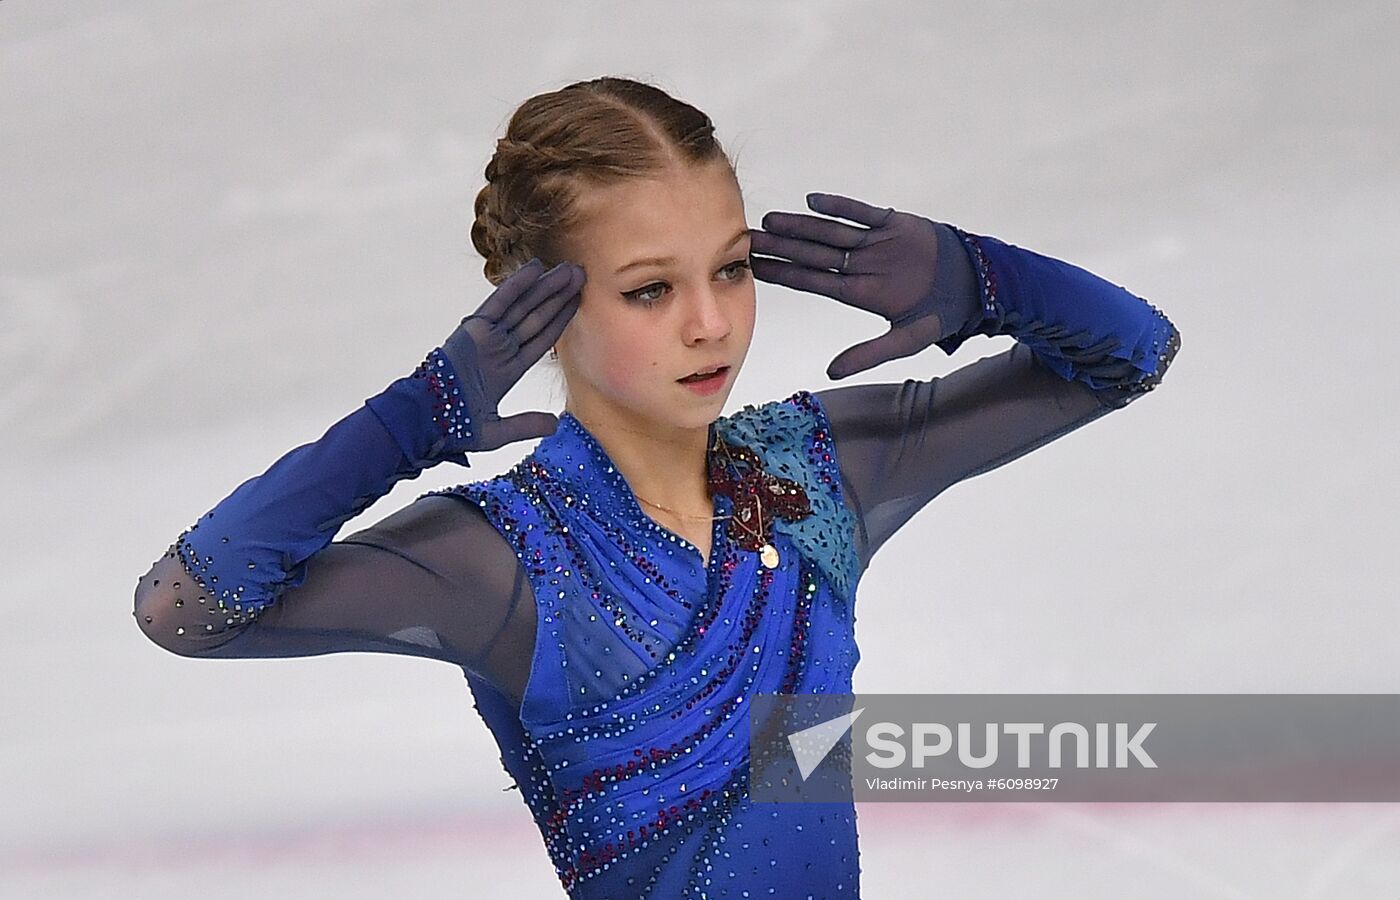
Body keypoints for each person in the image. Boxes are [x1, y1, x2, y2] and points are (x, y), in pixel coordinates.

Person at [132, 76, 1181, 898]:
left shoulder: (817, 470)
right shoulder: (493, 559)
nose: (708, 323)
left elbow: (1130, 353)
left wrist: (983, 281)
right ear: (537, 306)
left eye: (728, 270)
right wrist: (407, 425)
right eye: (649, 289)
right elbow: (187, 607)